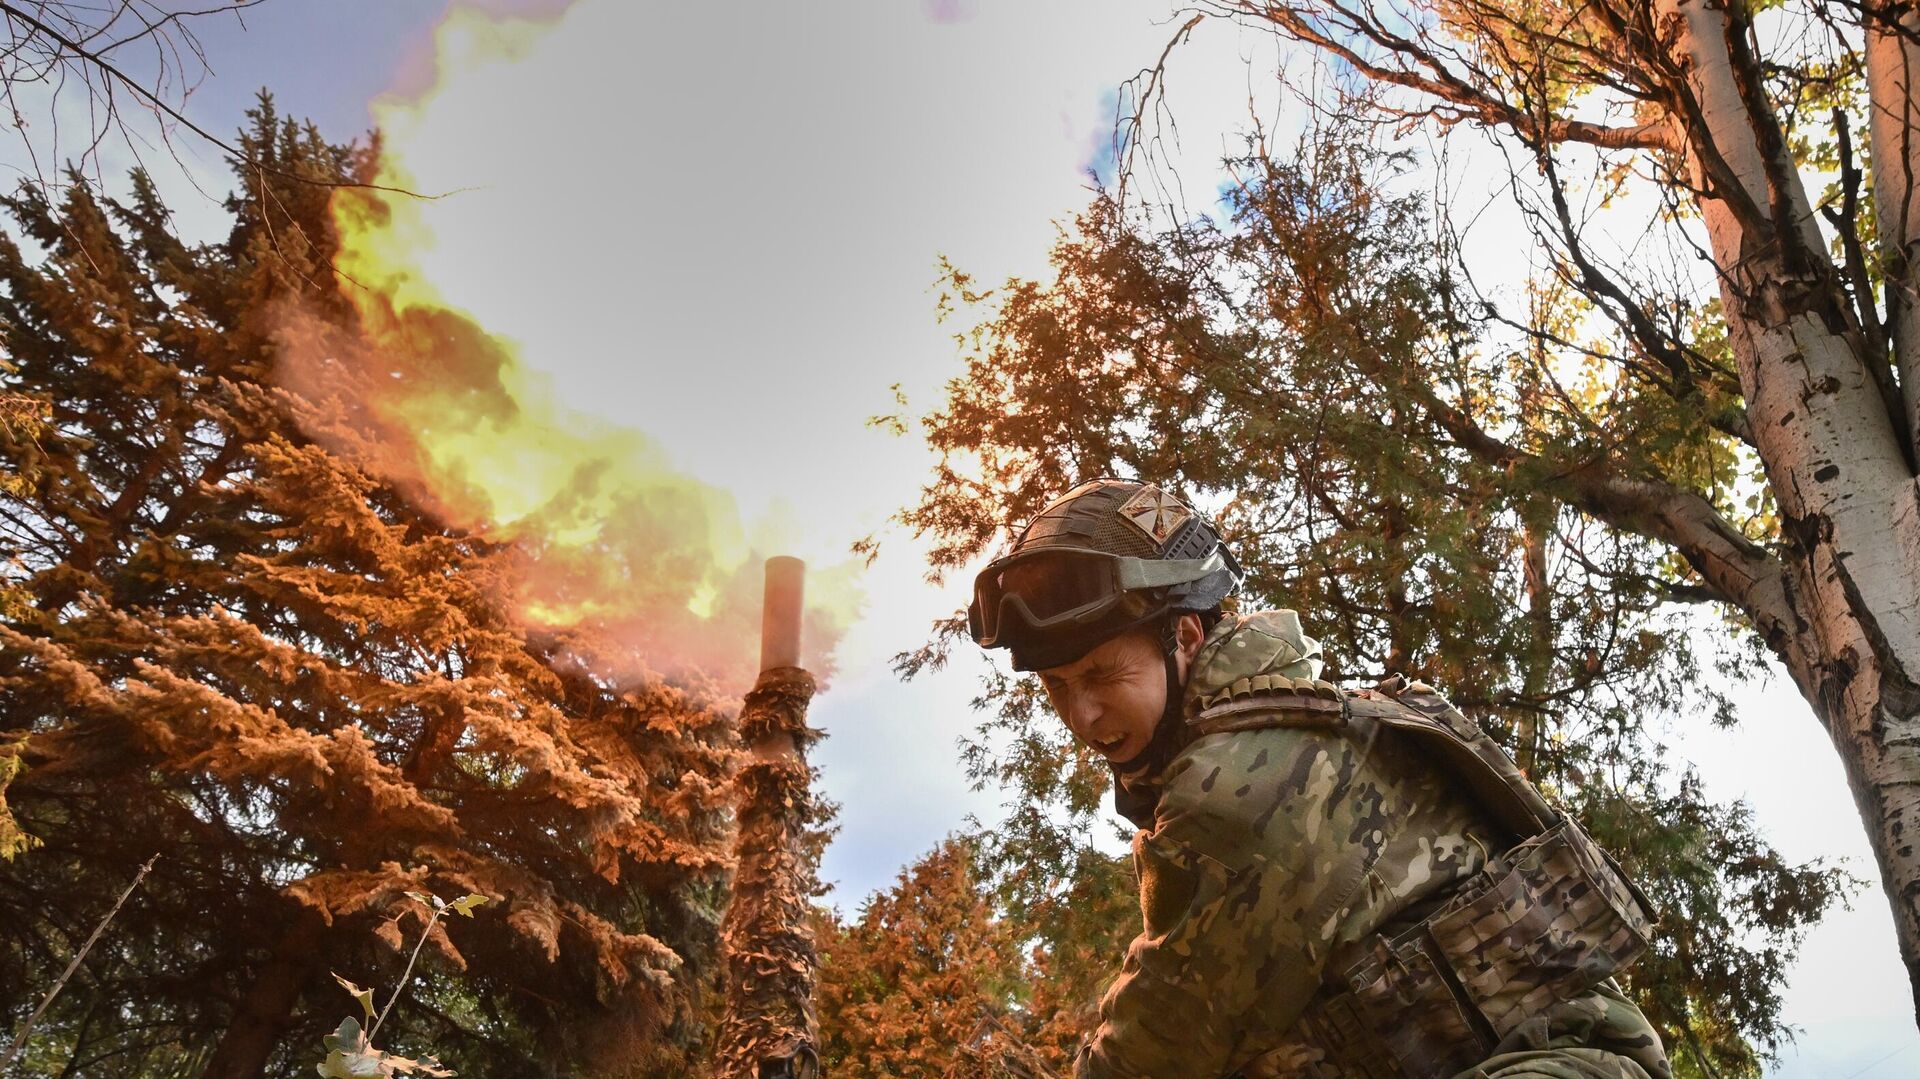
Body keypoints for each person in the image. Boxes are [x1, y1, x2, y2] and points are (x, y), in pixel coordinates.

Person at [967, 479, 1672, 1079]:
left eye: (1101, 674)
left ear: (1183, 636)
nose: (1082, 714)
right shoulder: (1293, 718)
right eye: (1057, 686)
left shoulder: (1241, 785)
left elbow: (1158, 1043)